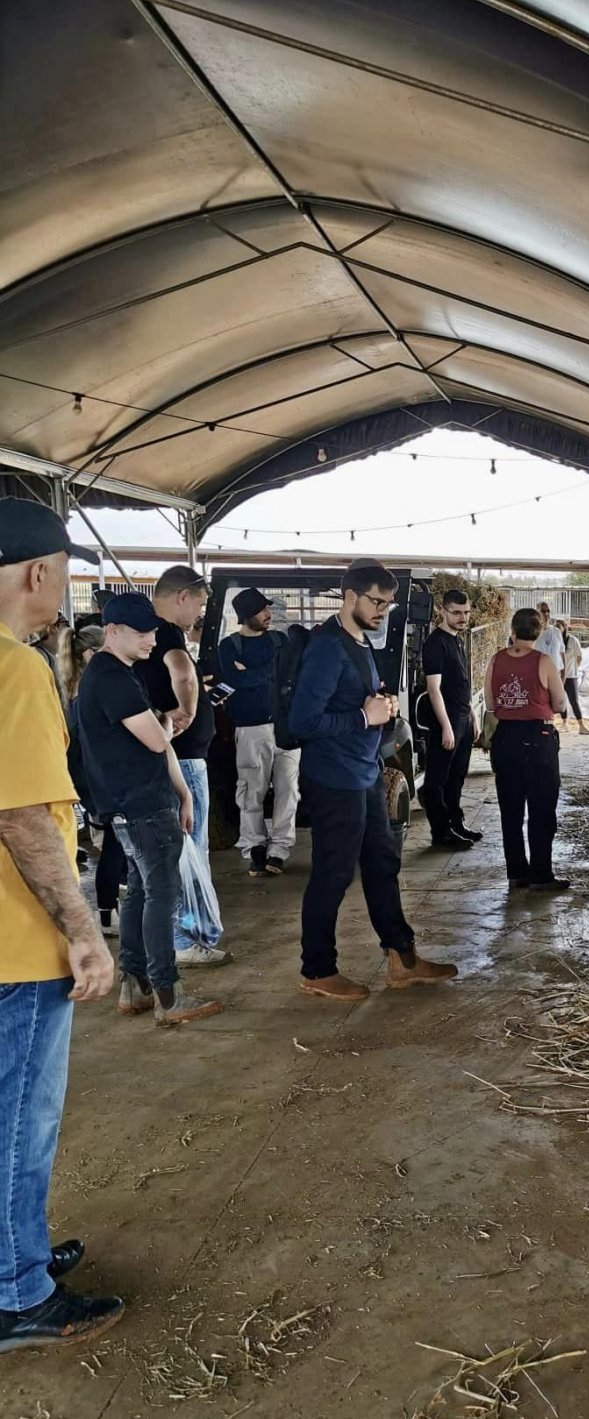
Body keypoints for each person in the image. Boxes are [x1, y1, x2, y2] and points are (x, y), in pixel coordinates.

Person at [0, 496, 125, 1352]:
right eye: (68, 569)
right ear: (39, 573)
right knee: (19, 1115)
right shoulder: (16, 668)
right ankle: (18, 1290)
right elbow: (21, 815)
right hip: (16, 939)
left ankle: (21, 1249)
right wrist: (83, 928)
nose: (67, 586)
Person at [290, 561, 458, 1000]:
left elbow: (355, 701)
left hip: (362, 773)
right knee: (334, 873)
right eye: (377, 601)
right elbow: (303, 721)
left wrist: (381, 709)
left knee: (383, 863)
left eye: (388, 603)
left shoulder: (359, 642)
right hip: (333, 779)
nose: (383, 610)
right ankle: (317, 969)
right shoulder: (327, 647)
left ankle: (401, 957)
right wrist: (364, 715)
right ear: (350, 596)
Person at [77, 593, 224, 1029]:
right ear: (113, 631)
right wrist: (165, 723)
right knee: (162, 894)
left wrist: (183, 791)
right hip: (141, 802)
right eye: (142, 634)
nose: (150, 641)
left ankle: (135, 985)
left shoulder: (112, 673)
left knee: (141, 891)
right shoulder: (113, 678)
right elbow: (157, 740)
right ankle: (168, 994)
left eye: (154, 632)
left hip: (128, 802)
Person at [135, 565, 227, 966]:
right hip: (183, 758)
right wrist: (189, 709)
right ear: (182, 596)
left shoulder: (146, 633)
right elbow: (183, 672)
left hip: (175, 754)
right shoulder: (167, 633)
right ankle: (185, 938)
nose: (199, 615)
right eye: (201, 604)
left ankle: (176, 936)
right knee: (187, 848)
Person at [484, 608, 571, 892]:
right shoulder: (544, 661)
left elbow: (490, 704)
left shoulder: (495, 660)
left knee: (510, 810)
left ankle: (517, 872)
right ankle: (541, 875)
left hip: (505, 737)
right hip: (537, 737)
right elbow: (559, 704)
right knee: (541, 809)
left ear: (513, 629)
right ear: (540, 631)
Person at [218, 588, 300, 877]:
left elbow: (288, 673)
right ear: (245, 616)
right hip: (251, 727)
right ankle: (255, 847)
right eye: (262, 611)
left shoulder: (280, 639)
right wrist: (271, 669)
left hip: (286, 727)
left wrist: (250, 673)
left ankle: (279, 849)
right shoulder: (230, 646)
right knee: (252, 789)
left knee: (289, 790)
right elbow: (234, 682)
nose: (268, 615)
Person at [60, 621, 127, 938]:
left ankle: (109, 912)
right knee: (115, 847)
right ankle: (107, 914)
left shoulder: (76, 691)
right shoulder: (88, 693)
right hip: (99, 781)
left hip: (93, 781)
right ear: (89, 654)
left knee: (114, 846)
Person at [421, 588, 480, 850]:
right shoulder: (435, 643)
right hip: (446, 718)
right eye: (456, 612)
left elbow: (461, 683)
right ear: (442, 611)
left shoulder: (458, 640)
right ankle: (441, 832)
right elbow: (434, 689)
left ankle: (456, 823)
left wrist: (472, 714)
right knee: (438, 778)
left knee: (457, 775)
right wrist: (446, 726)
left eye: (466, 612)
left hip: (462, 716)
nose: (462, 617)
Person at [555, 619, 589, 736]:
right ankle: (564, 723)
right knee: (561, 700)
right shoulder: (555, 641)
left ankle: (581, 725)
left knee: (574, 701)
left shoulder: (573, 640)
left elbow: (579, 656)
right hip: (558, 676)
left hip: (571, 676)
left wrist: (574, 667)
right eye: (556, 627)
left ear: (565, 628)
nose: (557, 629)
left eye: (559, 627)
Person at [533, 600, 565, 673]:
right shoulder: (533, 632)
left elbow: (562, 653)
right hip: (539, 674)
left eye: (548, 611)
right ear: (537, 614)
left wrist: (564, 675)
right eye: (543, 611)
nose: (546, 613)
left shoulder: (556, 632)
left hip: (556, 675)